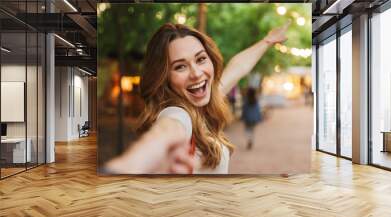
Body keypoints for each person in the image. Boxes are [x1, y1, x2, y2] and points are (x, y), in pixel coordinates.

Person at [105, 21, 289, 174]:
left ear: (211, 60)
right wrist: (130, 165)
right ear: (164, 77)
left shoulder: (203, 103)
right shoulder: (176, 112)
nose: (196, 73)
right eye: (180, 67)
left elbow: (237, 67)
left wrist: (267, 41)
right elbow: (166, 131)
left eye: (201, 59)